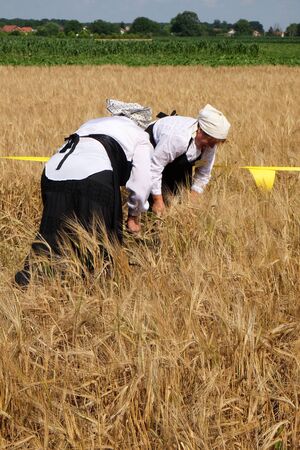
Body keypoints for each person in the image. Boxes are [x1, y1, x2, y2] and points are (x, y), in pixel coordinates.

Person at [15, 115, 153, 287]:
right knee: (101, 242)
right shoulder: (141, 136)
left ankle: (30, 283)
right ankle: (94, 289)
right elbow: (142, 181)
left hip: (53, 171)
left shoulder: (92, 124)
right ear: (140, 124)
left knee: (53, 235)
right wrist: (134, 214)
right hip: (94, 174)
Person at [145, 104, 231, 215]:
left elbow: (203, 174)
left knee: (179, 198)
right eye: (210, 142)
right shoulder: (179, 139)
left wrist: (191, 203)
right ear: (199, 131)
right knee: (152, 201)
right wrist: (157, 201)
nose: (211, 147)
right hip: (154, 147)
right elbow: (154, 168)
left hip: (178, 158)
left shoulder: (210, 144)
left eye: (214, 143)